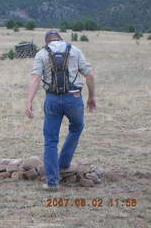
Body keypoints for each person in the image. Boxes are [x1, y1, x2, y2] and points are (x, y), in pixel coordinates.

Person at [25, 30, 96, 191]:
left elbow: (35, 78)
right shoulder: (75, 50)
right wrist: (91, 97)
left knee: (51, 140)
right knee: (77, 128)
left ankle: (52, 182)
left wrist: (29, 101)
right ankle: (64, 163)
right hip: (74, 98)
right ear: (60, 39)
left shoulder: (42, 53)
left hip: (52, 100)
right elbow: (89, 75)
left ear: (46, 42)